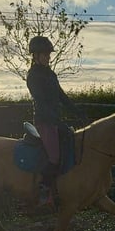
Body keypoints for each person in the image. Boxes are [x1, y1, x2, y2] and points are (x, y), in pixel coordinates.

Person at [26, 35, 79, 208]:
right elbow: (40, 101)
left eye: (49, 54)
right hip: (44, 121)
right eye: (45, 54)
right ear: (35, 56)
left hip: (55, 120)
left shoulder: (51, 74)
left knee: (71, 147)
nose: (48, 57)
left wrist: (77, 111)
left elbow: (61, 96)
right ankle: (43, 192)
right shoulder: (33, 75)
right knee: (55, 157)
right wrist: (55, 121)